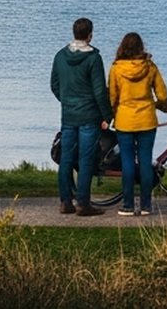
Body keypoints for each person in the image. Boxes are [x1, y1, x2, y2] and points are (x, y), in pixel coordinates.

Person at [49, 17, 111, 216]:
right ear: (90, 35)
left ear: (74, 33)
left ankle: (65, 202)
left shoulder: (60, 56)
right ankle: (83, 203)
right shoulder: (93, 58)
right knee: (86, 160)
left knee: (66, 158)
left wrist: (67, 100)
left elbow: (54, 85)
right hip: (89, 116)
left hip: (68, 115)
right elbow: (99, 91)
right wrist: (106, 114)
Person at [108, 31, 167, 216]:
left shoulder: (116, 68)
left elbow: (113, 97)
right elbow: (162, 94)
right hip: (146, 120)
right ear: (141, 47)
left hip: (125, 121)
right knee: (145, 162)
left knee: (127, 162)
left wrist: (112, 115)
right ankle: (145, 206)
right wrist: (160, 106)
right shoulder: (150, 67)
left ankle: (127, 205)